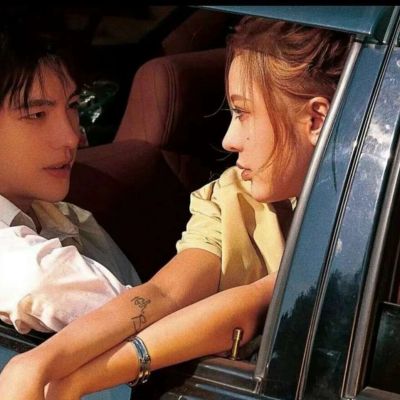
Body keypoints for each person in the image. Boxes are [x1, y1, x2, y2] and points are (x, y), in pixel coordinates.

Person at [0, 16, 352, 399]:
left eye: (242, 113)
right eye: (37, 114)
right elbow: (163, 295)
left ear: (316, 119)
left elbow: (258, 300)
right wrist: (43, 363)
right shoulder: (232, 198)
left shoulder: (374, 219)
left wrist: (75, 375)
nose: (229, 140)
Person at [0, 17, 141, 334]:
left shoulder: (73, 222)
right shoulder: (18, 260)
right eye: (37, 114)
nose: (71, 136)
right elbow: (40, 283)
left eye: (73, 105)